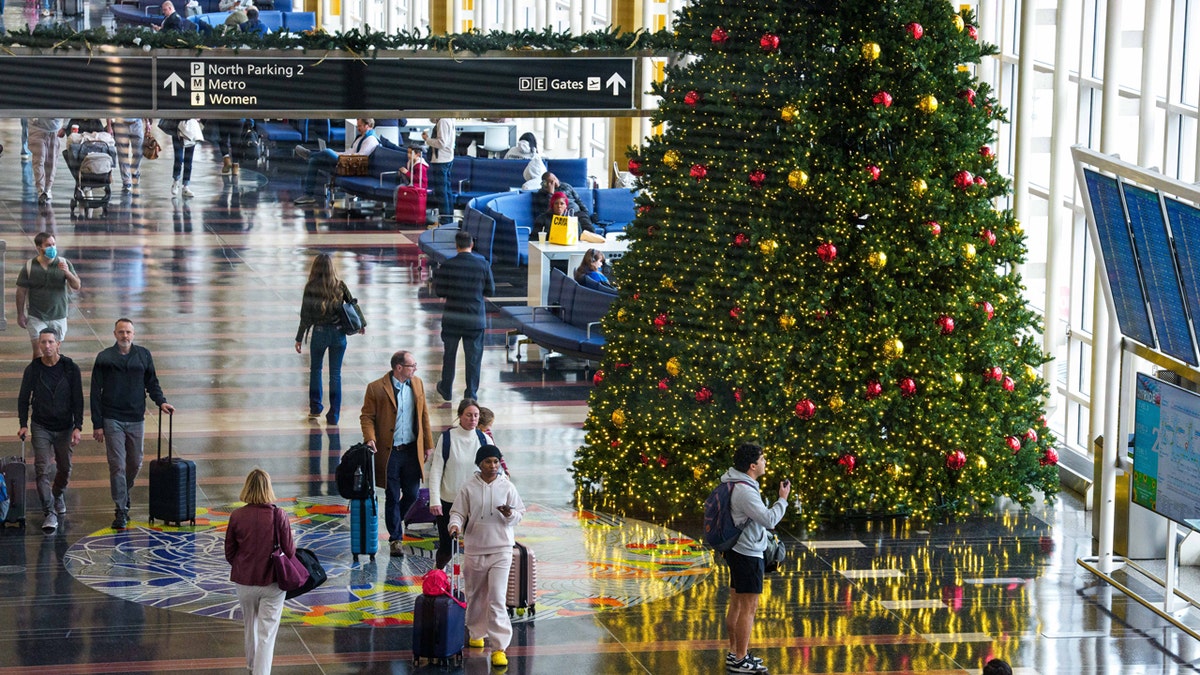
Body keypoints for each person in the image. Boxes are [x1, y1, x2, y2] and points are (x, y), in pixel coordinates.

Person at [91, 318, 176, 530]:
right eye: (121, 332)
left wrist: (162, 402)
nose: (125, 336)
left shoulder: (143, 355)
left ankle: (124, 492)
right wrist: (97, 423)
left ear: (133, 334)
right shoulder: (104, 358)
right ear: (114, 334)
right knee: (117, 464)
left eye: (128, 332)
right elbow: (95, 393)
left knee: (136, 462)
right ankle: (121, 509)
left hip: (136, 417)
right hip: (112, 418)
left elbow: (152, 383)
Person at [447, 444, 525, 669]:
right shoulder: (468, 487)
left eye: (496, 461)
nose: (493, 466)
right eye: (488, 461)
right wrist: (455, 525)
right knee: (475, 595)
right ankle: (476, 631)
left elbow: (520, 512)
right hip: (474, 548)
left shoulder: (507, 486)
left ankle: (499, 647)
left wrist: (510, 514)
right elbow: (458, 512)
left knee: (497, 599)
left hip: (501, 549)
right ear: (479, 464)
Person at [722, 441, 789, 674]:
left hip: (735, 549)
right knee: (748, 608)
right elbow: (769, 520)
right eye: (762, 460)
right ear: (752, 466)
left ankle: (734, 653)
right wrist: (783, 499)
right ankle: (740, 659)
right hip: (748, 552)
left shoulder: (733, 480)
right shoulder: (746, 491)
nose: (765, 462)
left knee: (737, 604)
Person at [359, 350, 434, 556]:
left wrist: (428, 443)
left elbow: (424, 415)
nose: (415, 369)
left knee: (412, 493)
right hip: (390, 451)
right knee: (392, 494)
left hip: (411, 450)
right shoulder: (376, 388)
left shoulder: (417, 384)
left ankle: (394, 520)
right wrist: (370, 437)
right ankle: (395, 539)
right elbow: (366, 416)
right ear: (398, 368)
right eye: (412, 366)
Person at [224, 468, 293, 675]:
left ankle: (251, 667)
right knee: (267, 633)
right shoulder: (278, 515)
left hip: (244, 583)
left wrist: (243, 565)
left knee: (250, 627)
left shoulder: (236, 516)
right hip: (272, 583)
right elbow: (289, 552)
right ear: (268, 488)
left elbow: (229, 552)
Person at [17, 329, 83, 535]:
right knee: (41, 468)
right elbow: (23, 398)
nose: (46, 346)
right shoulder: (33, 369)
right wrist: (23, 423)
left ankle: (57, 494)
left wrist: (78, 426)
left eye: (50, 342)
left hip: (64, 427)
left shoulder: (70, 368)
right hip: (41, 426)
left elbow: (78, 400)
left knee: (65, 468)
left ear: (58, 344)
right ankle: (49, 511)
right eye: (43, 342)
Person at [295, 252, 365, 425]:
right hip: (339, 334)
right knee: (335, 375)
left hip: (319, 333)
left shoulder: (310, 287)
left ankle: (315, 407)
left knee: (316, 370)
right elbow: (352, 304)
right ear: (332, 268)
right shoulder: (340, 286)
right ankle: (334, 415)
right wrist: (361, 323)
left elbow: (305, 314)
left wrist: (299, 338)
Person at [433, 230, 494, 402]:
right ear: (472, 245)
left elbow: (440, 291)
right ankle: (471, 393)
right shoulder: (483, 264)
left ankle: (446, 389)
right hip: (475, 319)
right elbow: (491, 290)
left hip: (452, 317)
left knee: (449, 355)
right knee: (473, 358)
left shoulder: (447, 265)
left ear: (456, 245)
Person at [428, 399, 487, 568]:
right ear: (460, 416)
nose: (473, 419)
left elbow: (496, 470)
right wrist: (435, 500)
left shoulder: (484, 440)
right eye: (468, 415)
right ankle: (438, 577)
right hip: (449, 502)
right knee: (447, 548)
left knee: (474, 547)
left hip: (476, 503)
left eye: (476, 415)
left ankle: (473, 584)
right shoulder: (447, 439)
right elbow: (436, 470)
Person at [16, 233, 82, 359]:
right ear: (39, 248)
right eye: (48, 245)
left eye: (53, 244)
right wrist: (20, 314)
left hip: (59, 315)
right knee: (39, 352)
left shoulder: (63, 263)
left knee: (53, 352)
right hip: (36, 315)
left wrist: (67, 272)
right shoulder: (29, 266)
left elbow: (77, 285)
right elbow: (21, 291)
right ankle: (37, 376)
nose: (52, 248)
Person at [294, 118, 377, 204]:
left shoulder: (371, 140)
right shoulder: (362, 138)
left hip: (355, 167)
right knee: (314, 161)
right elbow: (350, 152)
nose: (357, 128)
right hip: (349, 162)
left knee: (327, 151)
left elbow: (360, 158)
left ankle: (309, 154)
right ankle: (308, 195)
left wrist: (338, 156)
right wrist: (337, 153)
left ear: (367, 126)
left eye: (359, 126)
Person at [422, 117, 455, 223]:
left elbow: (441, 143)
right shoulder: (449, 119)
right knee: (447, 191)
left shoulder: (443, 121)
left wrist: (427, 140)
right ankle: (448, 217)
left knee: (442, 192)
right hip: (447, 158)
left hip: (441, 160)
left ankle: (445, 221)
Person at [27, 117, 65, 203]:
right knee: (39, 160)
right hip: (36, 128)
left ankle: (47, 189)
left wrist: (65, 127)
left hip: (54, 129)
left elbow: (69, 106)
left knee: (52, 162)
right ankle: (40, 190)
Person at [109, 118, 146, 192]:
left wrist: (147, 122)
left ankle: (134, 171)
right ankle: (126, 181)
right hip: (120, 124)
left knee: (139, 152)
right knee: (122, 154)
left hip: (136, 123)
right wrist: (109, 126)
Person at [170, 118, 203, 198]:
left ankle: (186, 186)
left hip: (192, 128)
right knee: (178, 157)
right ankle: (176, 181)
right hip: (177, 128)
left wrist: (199, 118)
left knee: (188, 159)